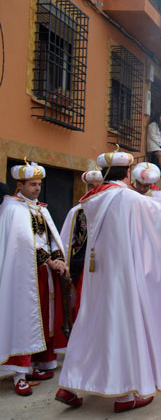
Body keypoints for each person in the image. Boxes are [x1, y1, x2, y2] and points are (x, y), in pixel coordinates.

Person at [55, 149, 161, 412]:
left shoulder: (94, 198)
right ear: (127, 172)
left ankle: (68, 385)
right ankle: (126, 395)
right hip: (122, 275)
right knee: (124, 327)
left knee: (90, 324)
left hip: (98, 275)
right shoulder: (125, 197)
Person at [0, 161, 70, 397]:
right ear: (19, 184)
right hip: (23, 275)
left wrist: (58, 258)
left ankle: (36, 364)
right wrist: (48, 259)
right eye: (32, 184)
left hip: (45, 273)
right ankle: (19, 373)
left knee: (45, 320)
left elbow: (51, 239)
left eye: (39, 184)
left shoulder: (42, 209)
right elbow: (21, 243)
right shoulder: (12, 209)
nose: (37, 188)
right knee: (24, 318)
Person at [60, 169, 103, 322]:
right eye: (90, 186)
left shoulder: (109, 209)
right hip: (81, 265)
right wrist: (64, 265)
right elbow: (65, 240)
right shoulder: (77, 212)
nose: (93, 190)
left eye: (97, 187)